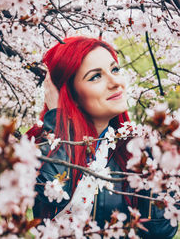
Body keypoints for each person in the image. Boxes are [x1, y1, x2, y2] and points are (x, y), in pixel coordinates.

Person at [28, 36, 178, 238]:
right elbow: (53, 196)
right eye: (95, 77)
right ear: (70, 94)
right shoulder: (41, 147)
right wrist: (57, 120)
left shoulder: (133, 152)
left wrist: (162, 166)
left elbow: (160, 232)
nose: (115, 82)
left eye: (114, 70)